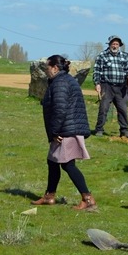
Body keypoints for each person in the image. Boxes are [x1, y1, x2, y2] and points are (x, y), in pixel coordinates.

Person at [32, 55, 97, 210]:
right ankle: (49, 196)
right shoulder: (63, 80)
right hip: (68, 127)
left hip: (66, 130)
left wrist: (55, 131)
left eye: (47, 67)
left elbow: (60, 110)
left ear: (55, 68)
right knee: (53, 161)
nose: (45, 71)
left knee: (67, 164)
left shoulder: (60, 83)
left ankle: (87, 198)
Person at [91, 35, 128, 138]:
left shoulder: (123, 55)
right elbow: (96, 71)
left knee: (123, 109)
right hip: (107, 86)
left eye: (117, 44)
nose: (115, 46)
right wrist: (97, 83)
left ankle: (124, 130)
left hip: (121, 87)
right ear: (109, 45)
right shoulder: (102, 55)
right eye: (113, 44)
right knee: (104, 108)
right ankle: (99, 129)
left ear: (120, 45)